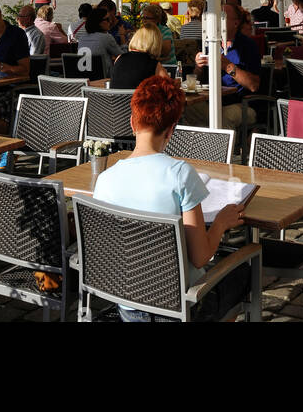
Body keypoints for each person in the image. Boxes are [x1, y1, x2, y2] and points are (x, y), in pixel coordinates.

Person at [93, 75, 250, 321]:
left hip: (127, 306)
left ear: (132, 123)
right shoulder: (179, 174)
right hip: (181, 307)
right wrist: (220, 223)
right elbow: (200, 257)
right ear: (171, 130)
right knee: (242, 272)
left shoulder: (105, 179)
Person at [188, 1, 261, 128]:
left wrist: (228, 66)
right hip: (211, 101)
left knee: (223, 117)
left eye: (222, 17)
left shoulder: (247, 46)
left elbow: (253, 85)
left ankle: (222, 147)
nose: (217, 21)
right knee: (184, 110)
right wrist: (198, 67)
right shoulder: (209, 44)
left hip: (241, 103)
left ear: (235, 23)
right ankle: (199, 146)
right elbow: (197, 80)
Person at [72, 3, 123, 76]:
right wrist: (122, 36)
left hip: (85, 77)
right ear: (99, 22)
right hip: (103, 78)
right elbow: (122, 57)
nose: (110, 21)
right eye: (107, 19)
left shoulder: (82, 38)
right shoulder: (106, 37)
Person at [110, 25, 168, 89]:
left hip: (115, 98)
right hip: (138, 98)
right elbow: (169, 87)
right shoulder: (154, 64)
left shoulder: (119, 58)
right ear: (156, 43)